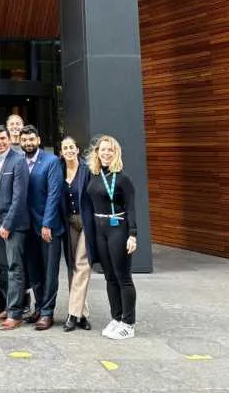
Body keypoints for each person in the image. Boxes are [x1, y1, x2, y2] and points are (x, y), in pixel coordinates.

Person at [85, 135, 138, 340]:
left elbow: (131, 208)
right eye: (103, 150)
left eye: (110, 150)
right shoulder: (95, 175)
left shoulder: (123, 178)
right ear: (97, 153)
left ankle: (129, 323)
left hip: (118, 228)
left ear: (116, 153)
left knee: (123, 277)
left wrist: (132, 235)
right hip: (100, 229)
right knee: (109, 276)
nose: (106, 153)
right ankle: (116, 318)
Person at [20, 125, 65, 331]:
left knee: (49, 271)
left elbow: (54, 194)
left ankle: (48, 313)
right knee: (34, 270)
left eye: (31, 139)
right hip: (26, 227)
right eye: (25, 140)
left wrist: (47, 223)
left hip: (48, 227)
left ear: (38, 140)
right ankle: (39, 307)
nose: (28, 143)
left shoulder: (51, 161)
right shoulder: (19, 161)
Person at [0, 125, 29, 330]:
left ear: (9, 139)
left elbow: (20, 197)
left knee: (15, 268)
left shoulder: (18, 160)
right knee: (2, 267)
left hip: (12, 223)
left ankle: (16, 313)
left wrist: (8, 224)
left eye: (2, 138)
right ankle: (6, 306)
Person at [60, 136, 94, 332]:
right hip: (69, 222)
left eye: (72, 147)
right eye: (65, 148)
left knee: (83, 264)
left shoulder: (86, 169)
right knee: (73, 265)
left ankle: (73, 314)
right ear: (61, 152)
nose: (69, 151)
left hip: (86, 222)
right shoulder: (59, 168)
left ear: (77, 149)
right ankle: (82, 312)